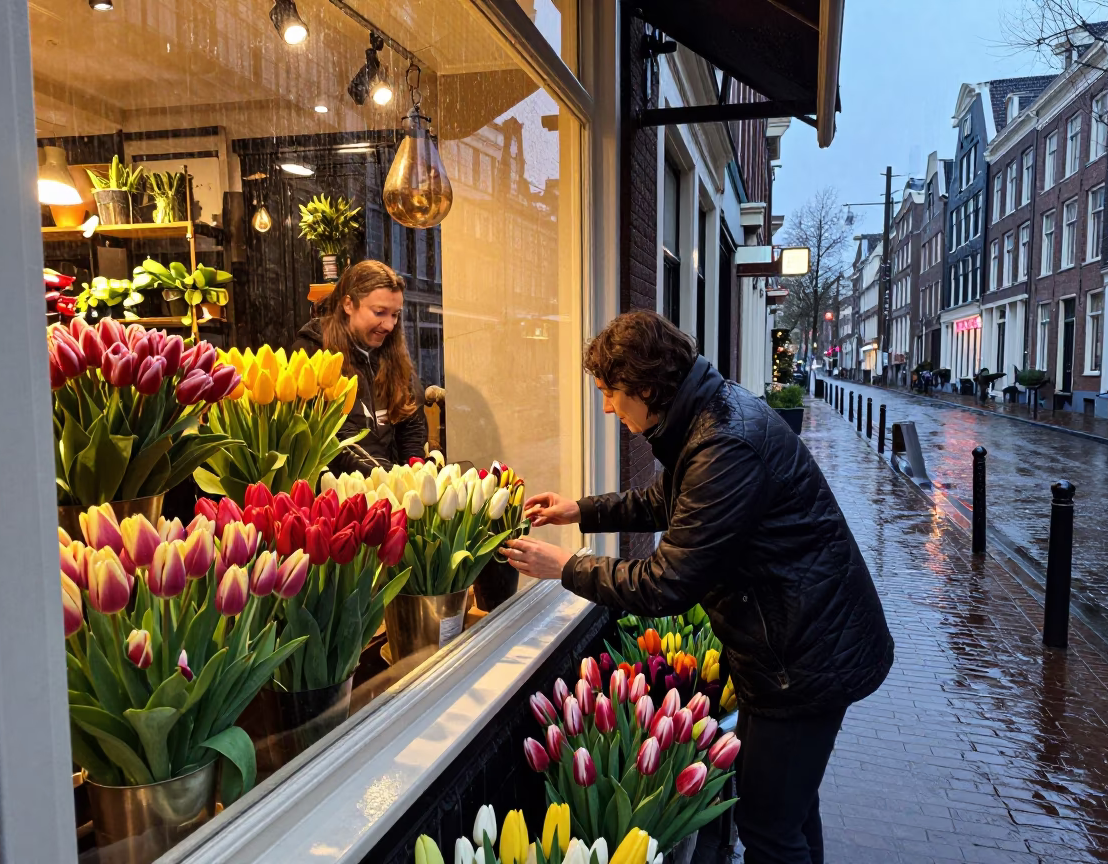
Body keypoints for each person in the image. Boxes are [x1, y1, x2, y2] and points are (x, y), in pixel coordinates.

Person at [504, 310, 893, 864]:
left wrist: (567, 567)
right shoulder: (707, 415)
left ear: (643, 385)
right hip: (788, 648)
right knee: (789, 812)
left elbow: (667, 583)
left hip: (802, 659)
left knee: (768, 825)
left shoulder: (722, 445)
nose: (608, 408)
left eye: (610, 393)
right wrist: (579, 509)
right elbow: (665, 502)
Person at [292, 259, 427, 472]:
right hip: (340, 493)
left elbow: (409, 423)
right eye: (379, 312)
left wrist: (416, 472)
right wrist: (388, 479)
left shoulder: (392, 354)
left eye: (395, 314)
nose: (390, 325)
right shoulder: (312, 353)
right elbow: (338, 438)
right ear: (348, 304)